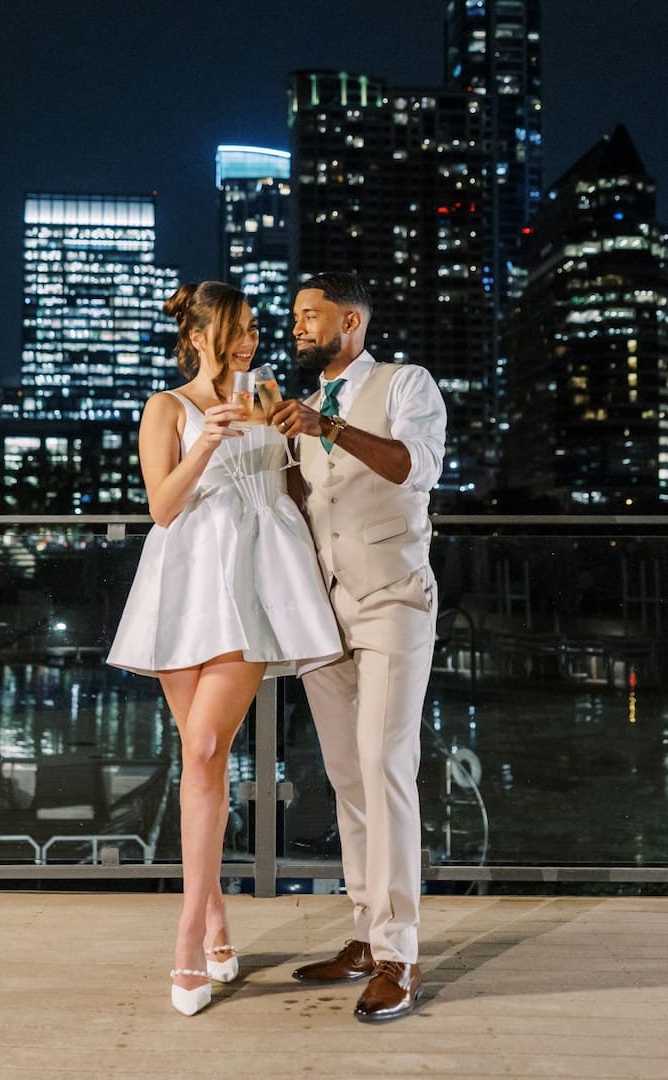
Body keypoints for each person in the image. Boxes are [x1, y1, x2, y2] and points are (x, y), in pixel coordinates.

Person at [107, 280, 342, 1017]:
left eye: (253, 329)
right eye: (236, 331)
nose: (250, 342)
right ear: (200, 335)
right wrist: (206, 438)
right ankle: (214, 920)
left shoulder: (269, 393)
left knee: (207, 749)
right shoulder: (166, 408)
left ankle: (184, 940)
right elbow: (163, 506)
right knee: (198, 759)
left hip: (254, 590)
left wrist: (303, 437)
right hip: (183, 590)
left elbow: (299, 489)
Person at [267, 272, 448, 1024]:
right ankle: (367, 936)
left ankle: (400, 955)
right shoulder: (297, 412)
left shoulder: (408, 383)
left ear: (350, 320)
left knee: (384, 766)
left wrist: (325, 428)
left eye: (311, 316)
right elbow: (302, 500)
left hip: (394, 601)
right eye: (296, 317)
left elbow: (418, 468)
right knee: (346, 775)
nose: (299, 327)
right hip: (324, 613)